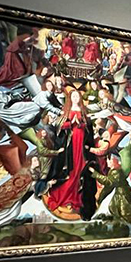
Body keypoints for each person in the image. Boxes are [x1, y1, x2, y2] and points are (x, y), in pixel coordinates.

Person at [45, 88, 97, 220]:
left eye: (77, 96)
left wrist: (82, 125)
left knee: (80, 170)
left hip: (82, 144)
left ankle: (76, 197)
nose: (75, 98)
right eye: (73, 96)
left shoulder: (84, 111)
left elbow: (89, 128)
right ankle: (64, 197)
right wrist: (71, 123)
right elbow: (59, 127)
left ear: (80, 98)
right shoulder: (66, 111)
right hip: (71, 144)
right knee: (71, 170)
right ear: (70, 98)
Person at [88, 136, 131, 226]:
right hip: (121, 192)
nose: (108, 162)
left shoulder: (116, 172)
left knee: (124, 211)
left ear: (116, 161)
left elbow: (108, 181)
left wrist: (94, 173)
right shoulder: (114, 171)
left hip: (122, 194)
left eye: (110, 160)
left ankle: (111, 219)